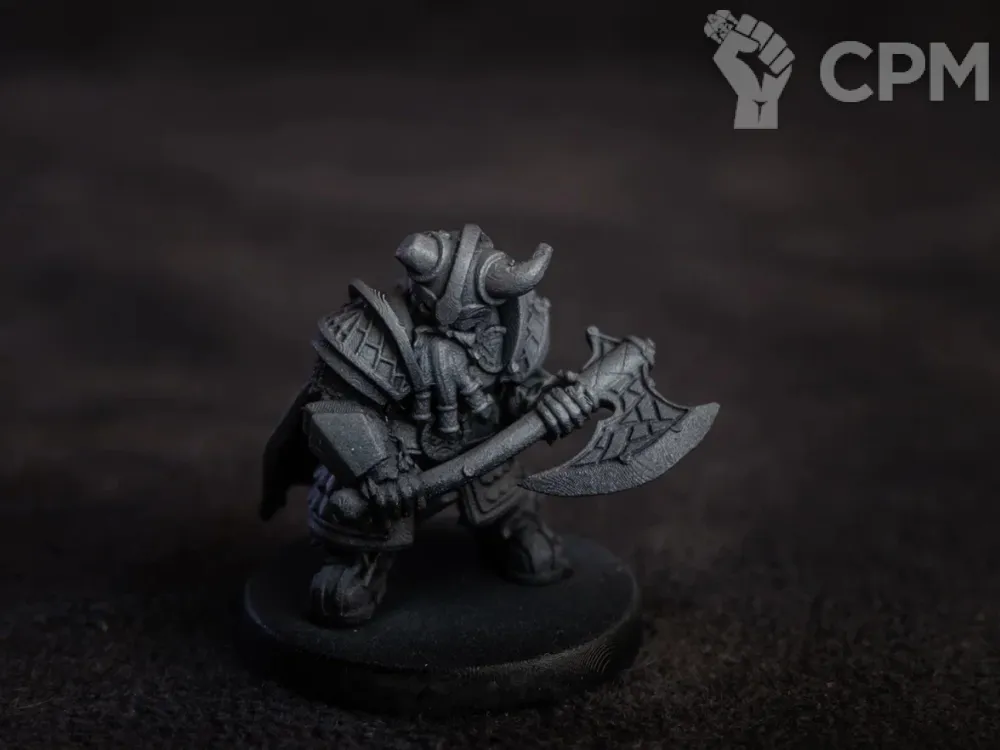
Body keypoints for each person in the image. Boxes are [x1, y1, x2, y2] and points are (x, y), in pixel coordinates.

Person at [261, 224, 597, 626]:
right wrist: (379, 469)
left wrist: (549, 399)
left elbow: (518, 387)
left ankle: (514, 524)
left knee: (513, 510)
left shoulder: (510, 324)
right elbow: (335, 411)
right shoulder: (371, 334)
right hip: (398, 465)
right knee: (349, 571)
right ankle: (359, 562)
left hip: (481, 450)